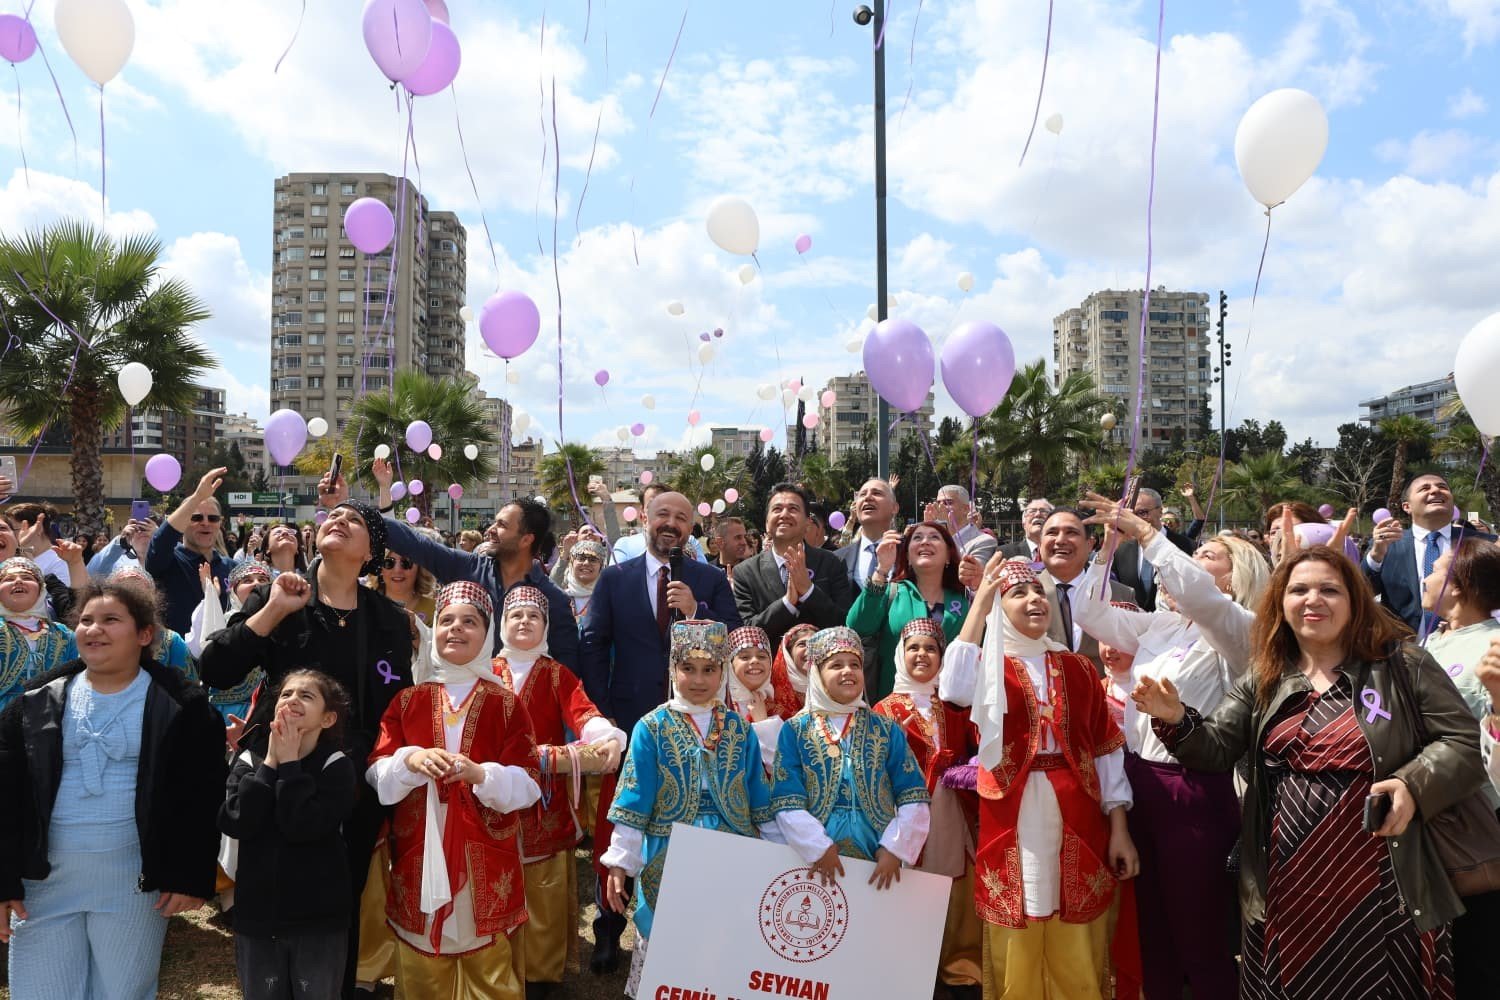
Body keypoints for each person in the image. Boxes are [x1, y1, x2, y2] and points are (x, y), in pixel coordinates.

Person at [1133, 546, 1485, 999]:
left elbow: (1460, 742)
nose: (1312, 599)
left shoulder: (1402, 664)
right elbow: (1215, 750)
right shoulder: (1266, 674)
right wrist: (1177, 719)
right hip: (1287, 882)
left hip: (1381, 877)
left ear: (1355, 601)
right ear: (1280, 602)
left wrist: (1411, 784)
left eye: (1329, 589)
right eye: (1299, 589)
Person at [200, 497, 416, 995]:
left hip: (347, 781)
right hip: (274, 769)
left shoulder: (386, 618)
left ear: (371, 554)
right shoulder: (280, 595)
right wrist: (274, 609)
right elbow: (215, 668)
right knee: (268, 888)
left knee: (339, 896)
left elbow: (393, 707)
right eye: (333, 515)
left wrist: (366, 770)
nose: (338, 520)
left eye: (355, 520)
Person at [1076, 492, 1271, 999]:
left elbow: (1201, 595)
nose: (1187, 562)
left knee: (1199, 935)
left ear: (1236, 576)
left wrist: (1146, 533)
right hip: (1142, 783)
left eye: (1207, 555)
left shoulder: (1238, 630)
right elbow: (1089, 613)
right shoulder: (1163, 623)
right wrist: (1106, 548)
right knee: (1152, 928)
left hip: (1194, 790)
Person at [0, 581, 226, 999]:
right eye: (85, 620)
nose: (93, 629)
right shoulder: (34, 702)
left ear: (144, 635)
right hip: (43, 884)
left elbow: (201, 795)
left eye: (110, 620)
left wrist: (189, 875)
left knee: (122, 991)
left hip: (133, 883)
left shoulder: (185, 707)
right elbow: (6, 795)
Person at [939, 559, 1137, 999]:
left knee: (1076, 927)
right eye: (1018, 593)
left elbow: (1106, 752)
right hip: (1012, 814)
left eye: (1038, 593)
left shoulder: (1078, 668)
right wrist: (980, 604)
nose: (1033, 600)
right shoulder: (990, 669)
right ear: (998, 607)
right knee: (1019, 920)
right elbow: (952, 687)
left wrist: (1119, 829)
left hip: (1078, 811)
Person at [576, 490, 739, 972]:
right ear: (645, 518)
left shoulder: (708, 579)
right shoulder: (615, 578)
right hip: (628, 726)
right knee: (619, 820)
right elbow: (592, 644)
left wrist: (696, 612)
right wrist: (604, 715)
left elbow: (736, 637)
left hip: (695, 727)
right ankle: (609, 927)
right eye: (663, 515)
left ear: (692, 528)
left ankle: (684, 925)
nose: (671, 524)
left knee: (682, 825)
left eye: (682, 518)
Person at [367, 581, 541, 998]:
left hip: (483, 849)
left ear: (487, 633)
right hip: (419, 849)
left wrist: (481, 775)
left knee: (487, 965)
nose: (456, 629)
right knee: (422, 956)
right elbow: (376, 771)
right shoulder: (408, 701)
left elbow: (529, 784)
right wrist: (409, 760)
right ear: (434, 632)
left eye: (469, 621)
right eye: (446, 621)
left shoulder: (506, 705)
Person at [602, 619, 780, 996]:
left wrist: (780, 853)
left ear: (722, 673)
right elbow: (635, 798)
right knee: (671, 931)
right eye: (688, 669)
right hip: (670, 849)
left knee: (724, 935)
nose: (699, 680)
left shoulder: (738, 728)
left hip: (731, 847)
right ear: (673, 670)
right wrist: (621, 860)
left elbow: (759, 798)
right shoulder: (652, 727)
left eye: (710, 670)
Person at [489, 586, 625, 997]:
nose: (525, 622)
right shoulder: (484, 670)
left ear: (546, 626)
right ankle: (495, 965)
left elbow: (582, 711)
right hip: (491, 794)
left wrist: (602, 735)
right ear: (502, 624)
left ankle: (542, 973)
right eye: (516, 615)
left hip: (543, 797)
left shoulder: (555, 672)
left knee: (544, 887)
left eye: (534, 616)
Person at [343, 460, 580, 668]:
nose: (490, 530)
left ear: (526, 540)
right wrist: (351, 510)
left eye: (502, 526)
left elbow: (569, 673)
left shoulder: (554, 602)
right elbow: (414, 543)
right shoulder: (467, 568)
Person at [220, 670, 358, 1000]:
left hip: (318, 920)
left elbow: (304, 825)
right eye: (286, 694)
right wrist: (270, 763)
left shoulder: (336, 765)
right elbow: (236, 821)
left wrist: (292, 765)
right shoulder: (249, 760)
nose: (293, 699)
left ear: (328, 719)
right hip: (258, 915)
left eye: (306, 696)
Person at [770, 625, 930, 901]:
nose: (847, 671)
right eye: (836, 665)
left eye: (854, 664)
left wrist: (895, 848)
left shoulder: (885, 728)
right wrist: (819, 848)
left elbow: (912, 793)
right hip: (814, 859)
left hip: (876, 852)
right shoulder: (795, 730)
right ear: (817, 675)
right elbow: (787, 800)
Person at [872, 618, 981, 999]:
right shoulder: (883, 710)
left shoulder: (953, 706)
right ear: (900, 655)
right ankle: (914, 973)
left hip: (952, 812)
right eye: (913, 647)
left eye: (931, 648)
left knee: (956, 886)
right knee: (914, 890)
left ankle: (962, 968)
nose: (922, 654)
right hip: (906, 813)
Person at [1418, 537, 1500, 994]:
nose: (1426, 578)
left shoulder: (1492, 644)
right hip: (1435, 814)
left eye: (1436, 569)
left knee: (1478, 951)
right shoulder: (1434, 639)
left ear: (1460, 584)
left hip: (1478, 821)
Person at [847, 520, 970, 701]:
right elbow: (857, 627)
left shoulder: (964, 599)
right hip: (895, 706)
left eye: (934, 537)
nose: (925, 541)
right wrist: (882, 569)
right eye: (917, 538)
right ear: (908, 558)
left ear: (948, 557)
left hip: (950, 709)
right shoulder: (892, 592)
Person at [732, 482, 854, 649]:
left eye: (793, 509)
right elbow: (748, 632)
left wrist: (809, 592)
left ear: (807, 523)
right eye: (777, 509)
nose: (784, 514)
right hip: (769, 670)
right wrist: (787, 604)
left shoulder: (832, 563)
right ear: (767, 523)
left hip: (819, 669)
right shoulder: (745, 572)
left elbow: (844, 623)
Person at [1368, 474, 1495, 632]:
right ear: (1407, 506)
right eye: (1424, 488)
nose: (1435, 490)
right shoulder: (1386, 545)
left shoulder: (1486, 545)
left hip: (1470, 647)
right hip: (1404, 650)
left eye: (1442, 487)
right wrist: (1375, 557)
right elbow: (1361, 592)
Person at [1039, 508, 1133, 674]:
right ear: (1040, 544)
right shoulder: (1021, 595)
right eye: (1052, 532)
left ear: (1090, 544)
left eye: (1071, 532)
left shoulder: (1121, 595)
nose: (1060, 540)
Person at [145, 467, 237, 635]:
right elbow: (160, 542)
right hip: (178, 657)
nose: (205, 523)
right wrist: (197, 498)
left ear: (220, 523)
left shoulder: (232, 568)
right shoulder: (169, 561)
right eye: (196, 517)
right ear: (183, 521)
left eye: (213, 518)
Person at [186, 560, 271, 722]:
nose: (256, 584)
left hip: (266, 714)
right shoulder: (223, 622)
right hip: (223, 714)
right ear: (233, 591)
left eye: (262, 580)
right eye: (247, 580)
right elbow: (199, 648)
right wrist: (210, 596)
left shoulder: (282, 622)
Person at [0, 555, 78, 712]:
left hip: (49, 720)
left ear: (41, 589)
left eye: (27, 577)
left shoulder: (64, 635)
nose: (18, 581)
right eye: (8, 579)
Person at [724, 625, 800, 772]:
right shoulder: (721, 705)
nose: (754, 661)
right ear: (730, 665)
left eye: (762, 656)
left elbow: (784, 767)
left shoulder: (781, 706)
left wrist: (763, 722)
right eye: (745, 657)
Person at [1109, 487, 1198, 612]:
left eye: (1142, 512)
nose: (1136, 519)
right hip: (1131, 625)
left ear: (1160, 511)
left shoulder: (1186, 547)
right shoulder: (1121, 550)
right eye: (1131, 514)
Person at [611, 483, 707, 564]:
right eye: (652, 505)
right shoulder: (625, 545)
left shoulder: (691, 543)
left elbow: (705, 578)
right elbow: (616, 581)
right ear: (642, 515)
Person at [836, 477, 900, 594]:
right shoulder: (837, 559)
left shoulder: (910, 553)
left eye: (877, 493)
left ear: (894, 508)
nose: (868, 497)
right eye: (862, 494)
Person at [933, 485, 998, 564]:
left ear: (965, 509)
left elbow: (970, 573)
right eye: (938, 503)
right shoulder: (932, 539)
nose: (941, 507)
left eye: (948, 503)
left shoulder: (984, 541)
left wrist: (946, 528)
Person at [549, 536, 606, 621]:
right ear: (571, 564)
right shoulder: (560, 598)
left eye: (593, 560)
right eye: (581, 558)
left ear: (601, 567)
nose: (586, 563)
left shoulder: (607, 598)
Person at [372, 552, 437, 625]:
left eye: (406, 563)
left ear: (419, 569)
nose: (397, 570)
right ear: (380, 569)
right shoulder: (366, 607)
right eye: (389, 562)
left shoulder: (436, 610)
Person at [85, 516, 154, 579]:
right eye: (138, 529)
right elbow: (93, 575)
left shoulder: (163, 557)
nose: (142, 533)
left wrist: (160, 540)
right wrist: (121, 541)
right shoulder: (116, 559)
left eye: (146, 528)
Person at [773, 622, 816, 708]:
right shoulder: (771, 695)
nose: (810, 649)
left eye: (815, 644)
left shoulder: (834, 689)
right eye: (802, 644)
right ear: (788, 654)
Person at [710, 516, 752, 583]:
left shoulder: (753, 571)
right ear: (720, 542)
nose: (744, 542)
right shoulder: (708, 573)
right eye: (738, 537)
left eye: (744, 537)